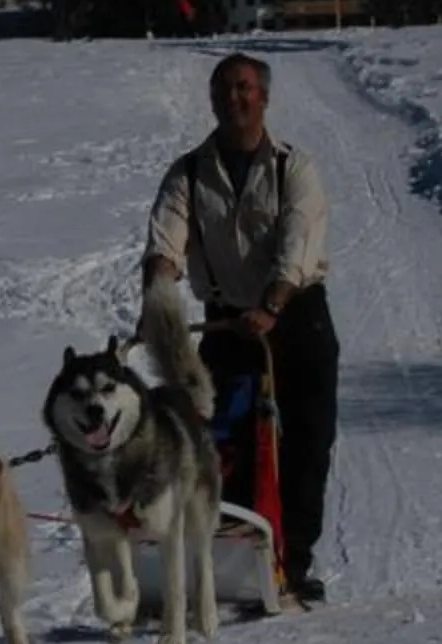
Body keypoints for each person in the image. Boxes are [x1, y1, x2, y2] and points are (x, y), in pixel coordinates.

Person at [140, 51, 339, 606]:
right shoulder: (187, 174)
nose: (235, 98)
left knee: (303, 445)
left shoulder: (293, 168)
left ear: (264, 97)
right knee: (223, 445)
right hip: (228, 323)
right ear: (211, 99)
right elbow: (165, 243)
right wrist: (157, 300)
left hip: (295, 317)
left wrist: (273, 304)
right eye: (225, 89)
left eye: (245, 88)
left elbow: (301, 243)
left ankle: (290, 567)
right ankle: (233, 562)